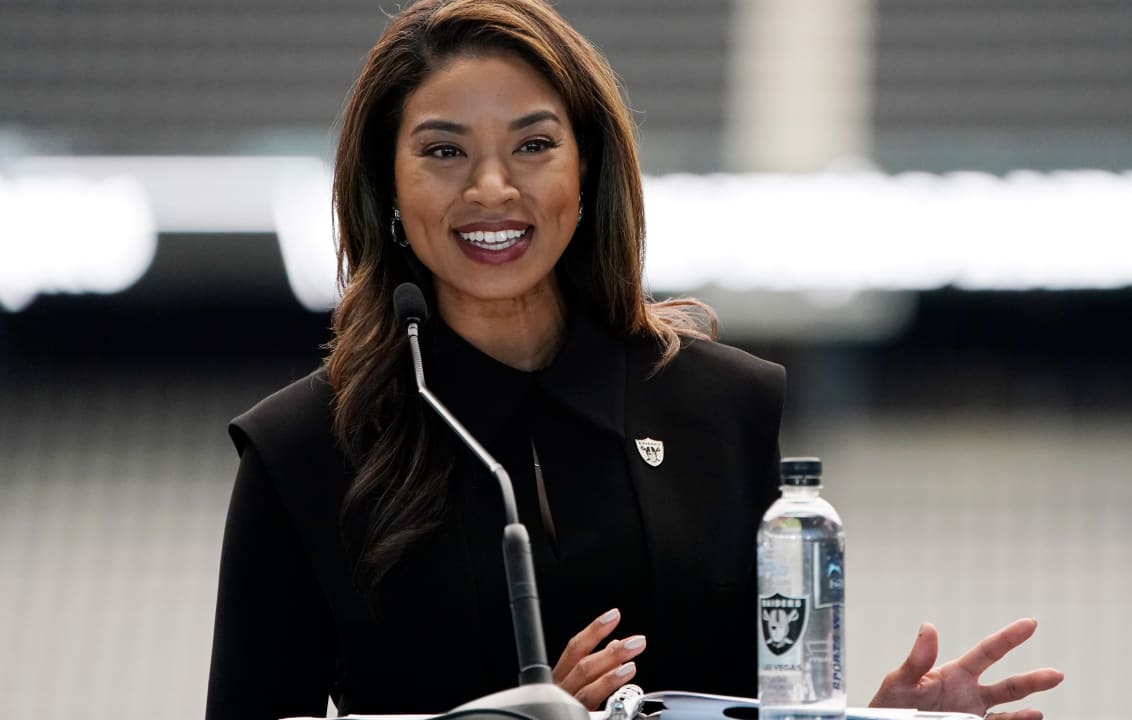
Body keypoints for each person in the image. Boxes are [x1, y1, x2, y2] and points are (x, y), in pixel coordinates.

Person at [205, 1, 1064, 719]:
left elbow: (761, 700)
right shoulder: (302, 450)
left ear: (590, 173)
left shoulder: (724, 405)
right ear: (386, 186)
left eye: (534, 145)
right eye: (443, 151)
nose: (492, 188)